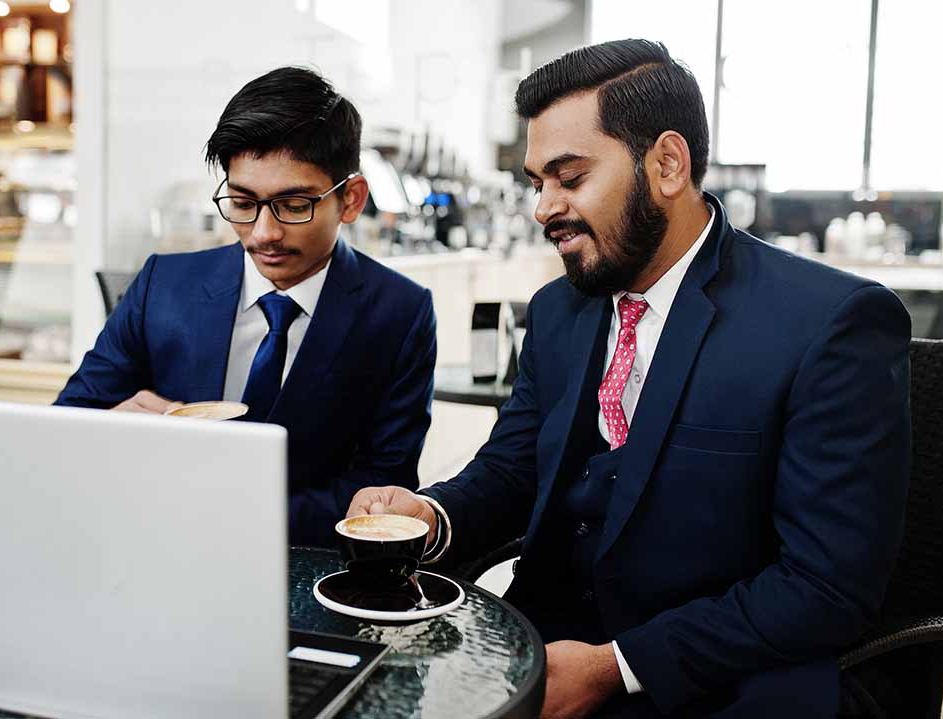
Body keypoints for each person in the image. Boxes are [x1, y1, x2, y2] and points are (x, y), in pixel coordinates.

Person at [347, 40, 910, 718]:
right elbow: (512, 469)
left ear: (667, 164)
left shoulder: (827, 323)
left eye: (570, 176)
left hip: (720, 682)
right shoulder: (560, 309)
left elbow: (825, 587)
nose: (542, 208)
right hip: (538, 655)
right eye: (536, 182)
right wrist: (429, 517)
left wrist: (618, 667)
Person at [57, 67, 437, 548]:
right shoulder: (163, 284)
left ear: (351, 199)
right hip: (151, 544)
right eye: (242, 202)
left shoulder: (400, 313)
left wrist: (225, 515)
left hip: (302, 564)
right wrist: (113, 431)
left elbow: (382, 487)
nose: (263, 233)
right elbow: (69, 423)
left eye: (293, 205)